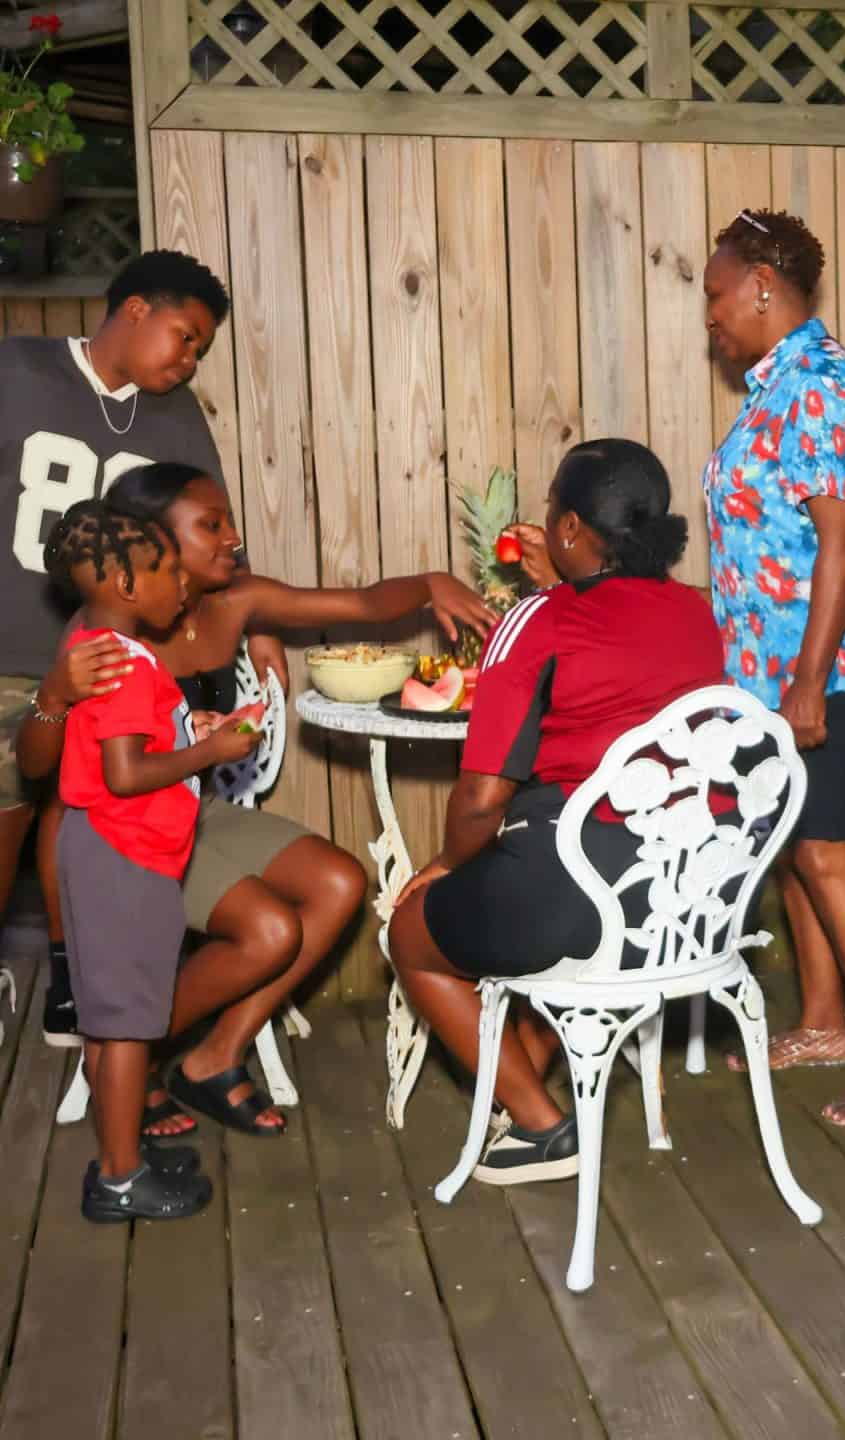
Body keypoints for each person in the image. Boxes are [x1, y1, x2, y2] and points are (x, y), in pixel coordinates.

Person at [18, 461, 496, 1137]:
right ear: (147, 546)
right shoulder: (102, 639)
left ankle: (214, 1058)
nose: (232, 537)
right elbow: (41, 778)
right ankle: (125, 1055)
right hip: (124, 842)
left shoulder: (231, 601)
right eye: (210, 525)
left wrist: (429, 584)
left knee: (339, 882)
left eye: (229, 521)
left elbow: (358, 604)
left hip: (191, 813)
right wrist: (53, 697)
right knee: (271, 930)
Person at [387, 438, 726, 1185]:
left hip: (588, 898)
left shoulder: (539, 619)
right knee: (530, 909)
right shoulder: (698, 612)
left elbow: (481, 797)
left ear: (569, 528)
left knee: (411, 932)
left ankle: (544, 1128)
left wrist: (442, 866)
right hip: (689, 900)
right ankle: (529, 1088)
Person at [0, 249, 286, 1047]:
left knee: (76, 813)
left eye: (200, 349)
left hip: (114, 651)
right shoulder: (19, 367)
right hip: (11, 648)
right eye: (184, 337)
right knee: (8, 818)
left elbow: (215, 535)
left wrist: (259, 623)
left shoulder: (175, 413)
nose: (188, 359)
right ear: (133, 311)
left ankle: (73, 977)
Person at [700, 208, 845, 1127]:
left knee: (826, 849)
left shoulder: (818, 382)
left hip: (833, 660)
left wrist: (811, 678)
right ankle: (824, 1022)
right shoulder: (771, 386)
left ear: (758, 287)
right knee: (791, 843)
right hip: (770, 667)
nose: (708, 313)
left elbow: (842, 539)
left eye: (714, 294)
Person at [44, 499, 261, 1220]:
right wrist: (211, 751)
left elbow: (123, 749)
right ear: (128, 587)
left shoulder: (110, 654)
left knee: (113, 1020)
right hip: (123, 858)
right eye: (169, 570)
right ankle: (120, 1178)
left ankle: (119, 1149)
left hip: (108, 850)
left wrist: (183, 730)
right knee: (130, 1024)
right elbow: (126, 775)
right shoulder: (127, 667)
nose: (183, 583)